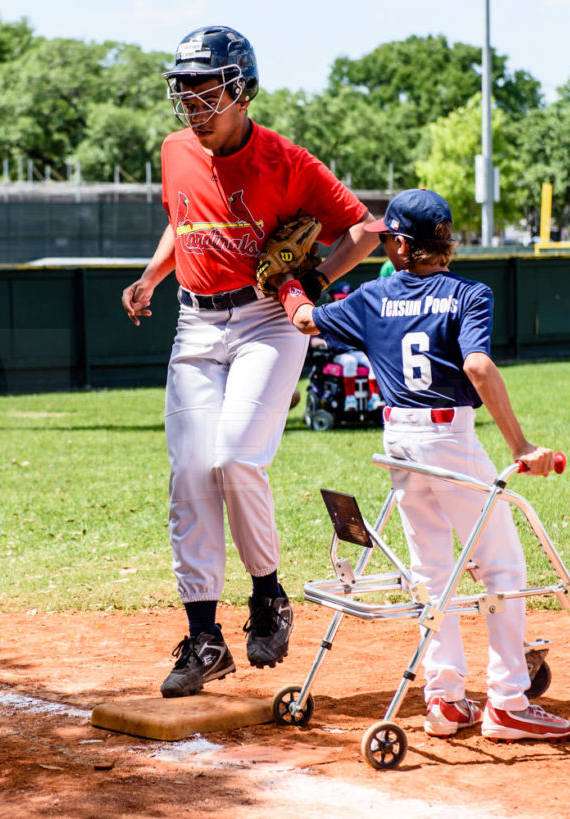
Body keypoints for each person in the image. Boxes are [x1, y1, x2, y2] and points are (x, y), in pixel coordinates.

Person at [120, 25, 378, 699]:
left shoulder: (286, 161)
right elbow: (184, 218)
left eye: (206, 91)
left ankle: (269, 594)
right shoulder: (176, 151)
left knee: (235, 456)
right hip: (196, 321)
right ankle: (204, 638)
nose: (193, 105)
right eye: (186, 91)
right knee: (190, 474)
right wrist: (151, 278)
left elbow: (363, 229)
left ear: (241, 90)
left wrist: (318, 279)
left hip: (267, 319)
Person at [276, 188, 570, 742]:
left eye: (390, 237)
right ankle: (508, 702)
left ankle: (445, 699)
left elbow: (305, 321)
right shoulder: (469, 293)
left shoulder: (373, 296)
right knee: (502, 567)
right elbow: (479, 367)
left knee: (432, 571)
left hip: (398, 440)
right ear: (443, 243)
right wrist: (519, 445)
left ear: (400, 245)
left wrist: (287, 282)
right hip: (450, 437)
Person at [313, 281, 383, 412]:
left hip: (356, 352)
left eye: (346, 299)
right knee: (349, 361)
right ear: (333, 298)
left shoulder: (360, 317)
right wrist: (326, 344)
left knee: (373, 361)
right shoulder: (328, 315)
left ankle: (374, 398)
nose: (342, 302)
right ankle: (350, 400)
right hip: (338, 354)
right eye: (340, 298)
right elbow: (314, 341)